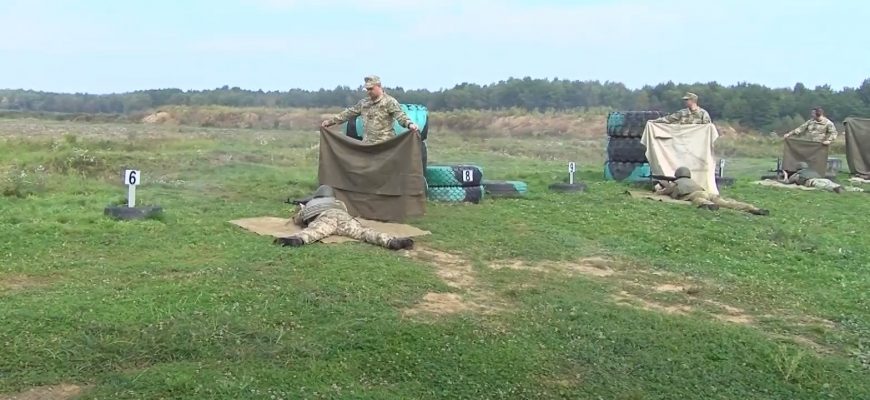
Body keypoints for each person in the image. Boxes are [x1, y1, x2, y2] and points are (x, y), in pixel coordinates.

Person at [273, 185, 415, 250]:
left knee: (315, 231)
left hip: (326, 217)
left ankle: (297, 240)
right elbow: (344, 212)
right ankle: (390, 241)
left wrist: (299, 211)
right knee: (365, 232)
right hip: (344, 218)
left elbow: (299, 219)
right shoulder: (338, 202)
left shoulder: (312, 202)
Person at [321, 75, 419, 144]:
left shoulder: (389, 102)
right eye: (367, 89)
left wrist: (410, 125)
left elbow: (400, 116)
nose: (368, 92)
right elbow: (348, 113)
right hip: (367, 145)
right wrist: (330, 122)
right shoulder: (364, 103)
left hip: (385, 145)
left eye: (371, 89)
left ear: (379, 86)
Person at [655, 166, 769, 215]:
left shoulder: (676, 183)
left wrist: (658, 188)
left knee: (699, 200)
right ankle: (752, 208)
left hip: (696, 195)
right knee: (727, 203)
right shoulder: (693, 181)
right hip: (707, 192)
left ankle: (709, 205)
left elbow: (664, 192)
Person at [778, 161, 844, 193]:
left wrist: (785, 175)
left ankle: (837, 189)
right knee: (831, 184)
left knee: (826, 187)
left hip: (813, 182)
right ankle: (839, 188)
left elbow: (787, 182)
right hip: (823, 179)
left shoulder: (797, 174)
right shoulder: (812, 171)